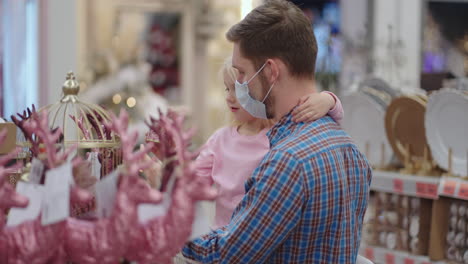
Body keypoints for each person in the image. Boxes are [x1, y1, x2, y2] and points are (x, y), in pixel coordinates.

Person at [182, 0, 372, 263]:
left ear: (271, 71)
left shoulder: (287, 162)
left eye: (242, 73)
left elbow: (227, 254)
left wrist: (171, 230)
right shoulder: (349, 150)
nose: (238, 86)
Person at [195, 56, 343, 229]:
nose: (229, 97)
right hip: (224, 244)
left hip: (269, 242)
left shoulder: (284, 133)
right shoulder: (219, 139)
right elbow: (193, 184)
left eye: (237, 89)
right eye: (227, 89)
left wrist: (329, 99)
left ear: (262, 91)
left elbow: (334, 116)